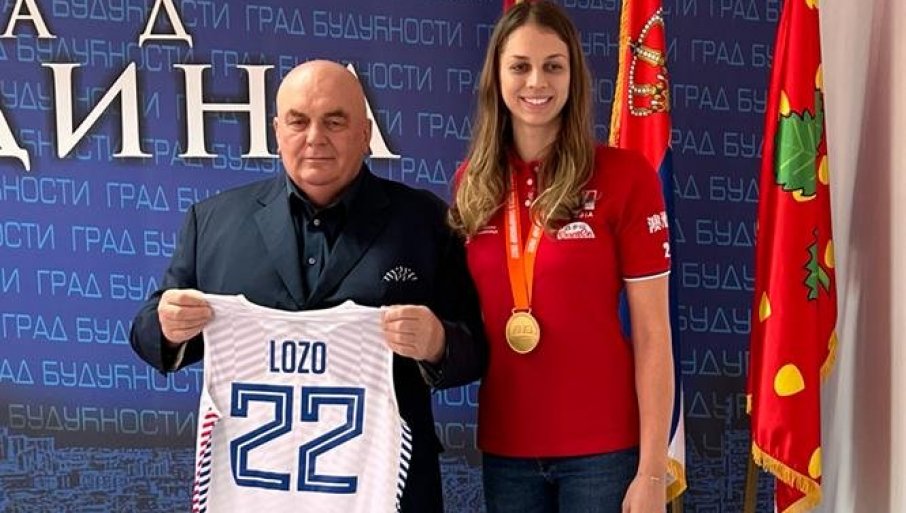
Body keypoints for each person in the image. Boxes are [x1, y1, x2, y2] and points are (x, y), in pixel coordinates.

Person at [130, 59, 486, 513]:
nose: (315, 137)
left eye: (335, 122)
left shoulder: (425, 221)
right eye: (298, 122)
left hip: (387, 490)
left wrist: (437, 343)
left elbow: (475, 348)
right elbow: (147, 331)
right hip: (254, 493)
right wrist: (168, 327)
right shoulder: (214, 222)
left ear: (365, 133)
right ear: (277, 131)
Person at [449, 2, 673, 513]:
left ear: (573, 76)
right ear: (496, 77)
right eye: (520, 66)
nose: (537, 82)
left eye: (553, 66)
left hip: (604, 453)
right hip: (507, 449)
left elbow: (653, 335)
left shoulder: (625, 177)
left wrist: (652, 472)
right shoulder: (472, 183)